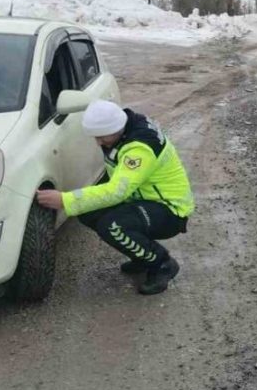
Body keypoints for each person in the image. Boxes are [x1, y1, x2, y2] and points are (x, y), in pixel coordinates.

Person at [35, 100, 194, 295]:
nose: (98, 142)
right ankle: (143, 256)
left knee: (113, 226)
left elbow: (116, 191)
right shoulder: (124, 128)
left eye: (102, 137)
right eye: (96, 137)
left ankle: (161, 263)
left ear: (116, 128)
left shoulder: (139, 149)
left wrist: (65, 200)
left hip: (169, 209)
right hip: (142, 198)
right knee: (88, 211)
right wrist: (78, 201)